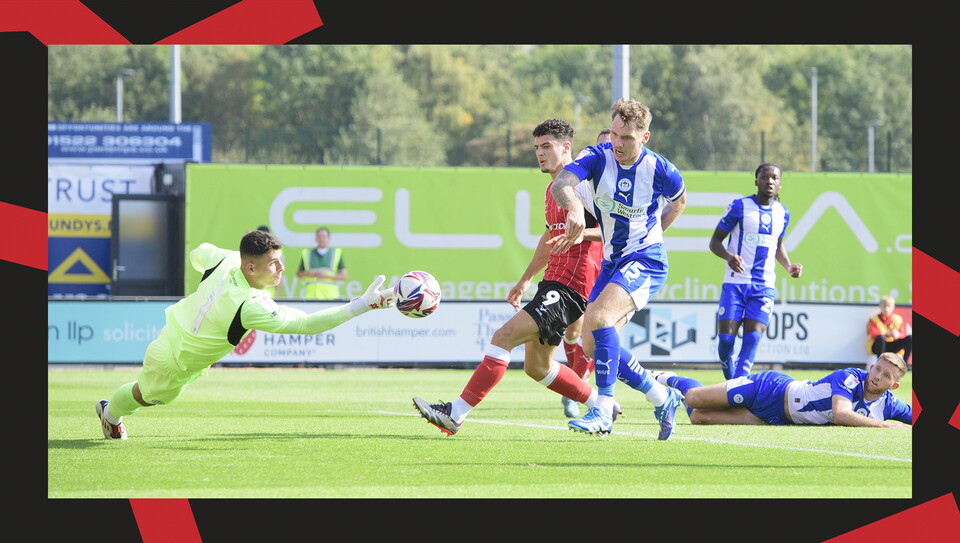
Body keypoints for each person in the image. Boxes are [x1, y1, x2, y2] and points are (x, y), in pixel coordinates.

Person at [412, 118, 612, 436]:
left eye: (546, 146)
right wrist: (525, 279)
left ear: (566, 147)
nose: (540, 153)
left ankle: (455, 413)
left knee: (503, 336)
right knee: (537, 367)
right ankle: (603, 406)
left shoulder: (585, 186)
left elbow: (614, 230)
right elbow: (550, 238)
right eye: (536, 147)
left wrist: (582, 234)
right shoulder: (552, 190)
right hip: (553, 282)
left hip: (572, 285)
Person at [94, 229, 396, 440]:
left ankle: (112, 412)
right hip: (175, 364)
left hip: (170, 335)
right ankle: (110, 415)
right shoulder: (250, 305)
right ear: (250, 268)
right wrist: (362, 305)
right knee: (146, 397)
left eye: (280, 259)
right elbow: (307, 325)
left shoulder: (226, 259)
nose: (281, 268)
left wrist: (205, 265)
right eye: (273, 263)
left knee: (147, 392)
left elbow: (199, 253)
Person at [549, 98, 687, 440]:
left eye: (626, 137)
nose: (617, 143)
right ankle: (662, 396)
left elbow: (679, 201)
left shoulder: (661, 169)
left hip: (647, 259)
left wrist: (654, 235)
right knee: (590, 345)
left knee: (600, 319)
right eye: (614, 134)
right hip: (613, 262)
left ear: (645, 137)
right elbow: (562, 183)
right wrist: (574, 208)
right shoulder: (598, 156)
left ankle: (603, 409)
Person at [708, 163, 803, 380]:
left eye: (774, 178)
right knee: (726, 341)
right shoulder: (739, 206)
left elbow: (777, 246)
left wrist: (788, 267)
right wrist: (729, 257)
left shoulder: (783, 213)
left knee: (752, 338)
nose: (769, 181)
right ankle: (731, 380)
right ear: (756, 181)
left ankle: (738, 387)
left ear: (780, 184)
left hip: (763, 286)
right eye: (764, 177)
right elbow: (714, 242)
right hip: (735, 283)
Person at [652, 352, 912, 428]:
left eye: (886, 375)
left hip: (774, 418)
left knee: (698, 417)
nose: (877, 376)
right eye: (877, 369)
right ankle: (670, 379)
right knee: (695, 398)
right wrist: (885, 426)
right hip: (770, 388)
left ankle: (673, 392)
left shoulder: (889, 404)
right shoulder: (851, 377)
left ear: (894, 385)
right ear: (872, 366)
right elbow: (841, 414)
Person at [296, 226, 347, 299]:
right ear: (315, 238)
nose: (321, 239)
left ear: (329, 238)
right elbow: (298, 273)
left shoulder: (336, 253)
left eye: (324, 236)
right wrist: (307, 273)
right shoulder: (307, 253)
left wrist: (326, 276)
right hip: (311, 296)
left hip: (330, 296)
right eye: (319, 236)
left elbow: (344, 276)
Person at [867, 295, 912, 368]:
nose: (886, 309)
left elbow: (903, 333)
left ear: (893, 307)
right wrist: (887, 335)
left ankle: (905, 364)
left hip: (892, 344)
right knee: (880, 338)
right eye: (884, 306)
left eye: (889, 306)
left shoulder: (898, 319)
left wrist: (898, 335)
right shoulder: (873, 319)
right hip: (878, 346)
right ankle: (880, 363)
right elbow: (873, 333)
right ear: (880, 306)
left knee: (910, 338)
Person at [256, 225, 278, 298]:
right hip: (256, 291)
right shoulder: (252, 251)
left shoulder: (275, 252)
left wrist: (278, 294)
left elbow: (279, 274)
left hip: (270, 292)